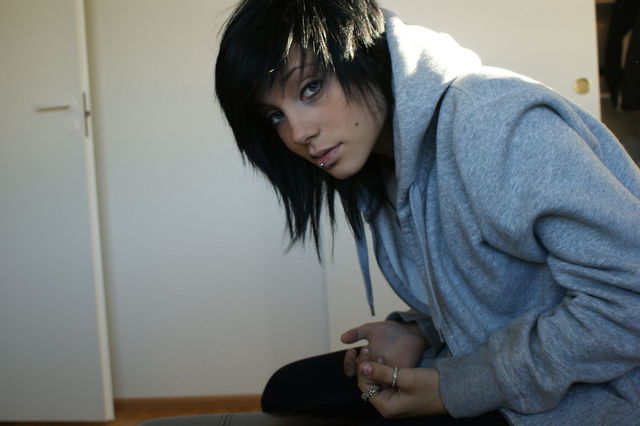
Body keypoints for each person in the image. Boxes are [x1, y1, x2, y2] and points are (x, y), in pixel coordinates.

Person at [215, 0, 640, 424]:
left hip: (601, 395)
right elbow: (508, 288)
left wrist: (458, 386)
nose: (299, 132)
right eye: (275, 116)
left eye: (310, 88)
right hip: (512, 366)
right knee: (289, 388)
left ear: (364, 55)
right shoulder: (385, 160)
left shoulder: (494, 124)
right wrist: (420, 331)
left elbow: (628, 300)